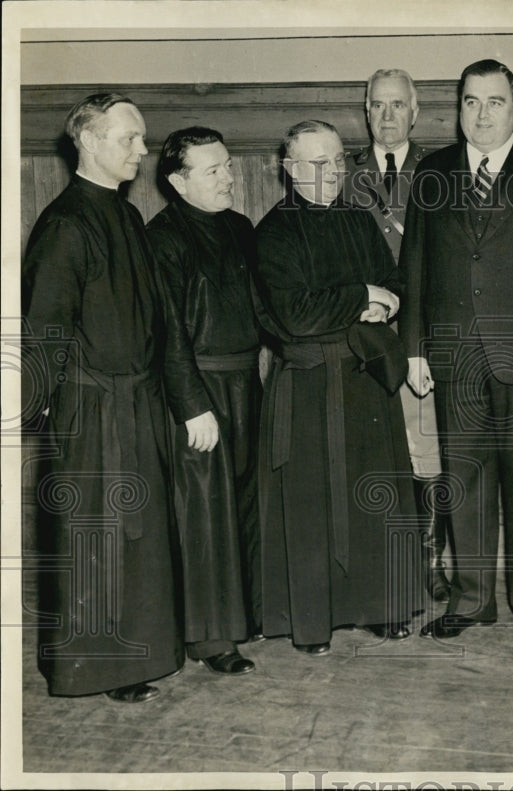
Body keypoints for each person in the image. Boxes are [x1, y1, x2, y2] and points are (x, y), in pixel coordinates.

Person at [23, 93, 204, 702]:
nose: (141, 150)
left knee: (142, 543)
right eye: (129, 139)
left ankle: (138, 659)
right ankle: (95, 669)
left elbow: (160, 321)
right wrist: (31, 414)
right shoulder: (65, 225)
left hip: (138, 403)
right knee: (92, 542)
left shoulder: (127, 217)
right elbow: (45, 333)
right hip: (88, 413)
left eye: (141, 138)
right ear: (90, 142)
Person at [399, 59, 513, 643]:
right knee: (464, 475)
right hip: (455, 353)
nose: (481, 114)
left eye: (494, 102)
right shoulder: (432, 173)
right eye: (471, 102)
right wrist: (414, 349)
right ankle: (471, 600)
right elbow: (415, 267)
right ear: (458, 108)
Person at [255, 120, 420, 653]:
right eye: (314, 164)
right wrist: (361, 298)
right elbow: (295, 314)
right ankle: (312, 621)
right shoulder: (273, 232)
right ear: (289, 169)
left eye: (337, 163)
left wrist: (384, 298)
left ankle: (382, 608)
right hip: (308, 387)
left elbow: (393, 280)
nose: (329, 174)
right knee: (313, 507)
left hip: (364, 379)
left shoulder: (356, 218)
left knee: (374, 500)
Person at [146, 127, 262, 676]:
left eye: (229, 166)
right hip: (200, 389)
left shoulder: (240, 228)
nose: (227, 178)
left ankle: (242, 618)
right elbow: (167, 334)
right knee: (205, 516)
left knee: (244, 504)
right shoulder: (162, 238)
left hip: (246, 381)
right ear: (177, 181)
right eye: (212, 171)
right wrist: (192, 405)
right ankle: (212, 640)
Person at [344, 68, 451, 602]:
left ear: (415, 111)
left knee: (426, 449)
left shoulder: (440, 173)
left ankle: (430, 560)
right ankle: (388, 562)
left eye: (396, 106)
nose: (386, 116)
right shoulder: (341, 174)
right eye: (376, 106)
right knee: (377, 451)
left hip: (419, 334)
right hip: (362, 337)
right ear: (366, 112)